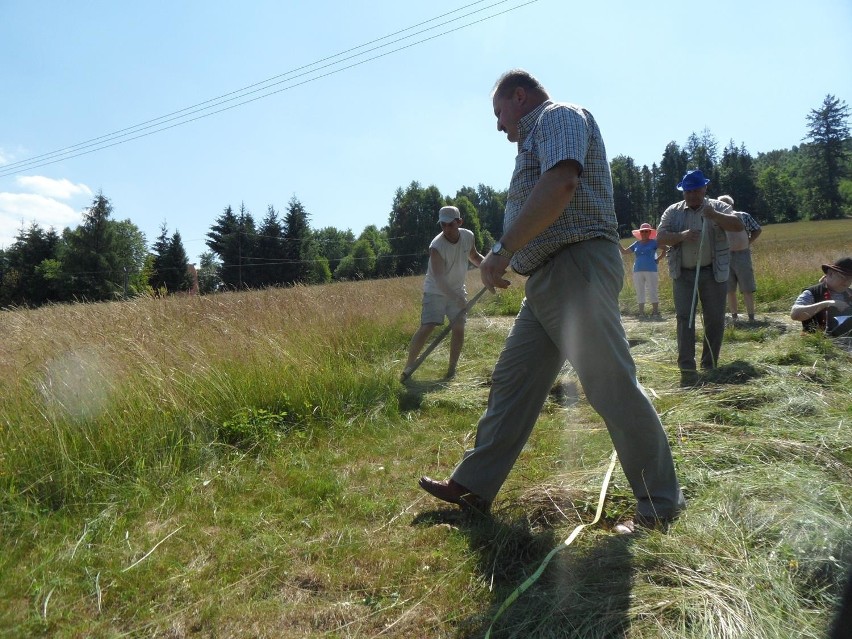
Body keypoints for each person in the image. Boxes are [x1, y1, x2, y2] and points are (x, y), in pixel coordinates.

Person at [418, 69, 685, 533]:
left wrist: (502, 250)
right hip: (546, 279)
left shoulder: (558, 117)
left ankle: (659, 502)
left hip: (576, 266)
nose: (499, 126)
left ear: (519, 98)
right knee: (512, 382)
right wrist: (513, 256)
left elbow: (562, 183)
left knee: (609, 384)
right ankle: (474, 487)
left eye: (499, 113)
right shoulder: (533, 137)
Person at [656, 170, 744, 385]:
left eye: (696, 190)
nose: (692, 194)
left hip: (713, 273)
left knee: (714, 319)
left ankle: (709, 364)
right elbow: (659, 238)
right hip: (683, 274)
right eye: (688, 191)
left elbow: (738, 225)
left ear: (705, 189)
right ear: (683, 191)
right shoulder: (673, 212)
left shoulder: (719, 207)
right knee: (684, 319)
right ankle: (687, 367)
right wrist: (681, 237)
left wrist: (714, 216)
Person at [400, 206, 484, 381]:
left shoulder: (468, 236)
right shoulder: (436, 246)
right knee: (428, 326)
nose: (446, 229)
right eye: (443, 225)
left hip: (457, 289)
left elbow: (474, 257)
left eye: (450, 225)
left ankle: (451, 370)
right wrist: (456, 298)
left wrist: (490, 268)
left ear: (459, 222)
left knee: (459, 328)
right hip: (435, 291)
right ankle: (409, 366)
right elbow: (438, 278)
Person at [717, 195, 761, 323]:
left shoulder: (743, 216)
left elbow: (757, 230)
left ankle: (751, 317)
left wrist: (748, 242)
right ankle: (734, 317)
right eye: (721, 205)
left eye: (725, 204)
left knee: (747, 287)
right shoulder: (717, 220)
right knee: (729, 289)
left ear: (731, 205)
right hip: (725, 256)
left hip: (742, 255)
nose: (723, 207)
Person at [790, 257, 852, 337]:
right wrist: (826, 304)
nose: (847, 282)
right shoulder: (813, 292)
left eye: (850, 279)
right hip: (819, 345)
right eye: (843, 277)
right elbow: (795, 314)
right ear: (830, 274)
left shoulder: (850, 293)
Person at [620, 222, 664, 318]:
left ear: (650, 232)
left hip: (651, 269)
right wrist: (616, 242)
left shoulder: (654, 242)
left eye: (646, 231)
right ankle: (641, 313)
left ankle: (655, 312)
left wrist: (658, 259)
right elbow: (624, 251)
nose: (644, 233)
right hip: (637, 270)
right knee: (640, 290)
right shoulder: (636, 243)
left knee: (653, 289)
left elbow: (666, 249)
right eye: (642, 231)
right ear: (640, 233)